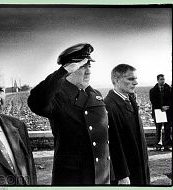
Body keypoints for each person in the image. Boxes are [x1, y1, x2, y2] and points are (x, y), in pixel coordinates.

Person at [28, 43, 110, 185]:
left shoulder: (95, 94)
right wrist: (61, 72)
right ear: (69, 69)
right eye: (83, 66)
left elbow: (104, 143)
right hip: (73, 178)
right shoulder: (57, 96)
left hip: (101, 177)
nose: (88, 71)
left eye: (89, 66)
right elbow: (36, 101)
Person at [104, 64, 150, 185]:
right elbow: (113, 144)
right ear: (117, 80)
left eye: (135, 78)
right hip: (128, 173)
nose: (136, 83)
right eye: (130, 79)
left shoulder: (129, 99)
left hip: (139, 166)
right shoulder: (109, 106)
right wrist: (122, 175)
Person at [149, 74, 173, 151]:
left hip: (168, 112)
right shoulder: (153, 90)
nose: (163, 81)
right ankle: (158, 145)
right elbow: (153, 102)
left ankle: (167, 145)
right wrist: (161, 107)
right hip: (158, 112)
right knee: (158, 129)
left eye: (164, 79)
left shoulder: (169, 89)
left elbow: (172, 99)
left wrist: (167, 107)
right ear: (158, 80)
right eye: (161, 79)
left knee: (167, 129)